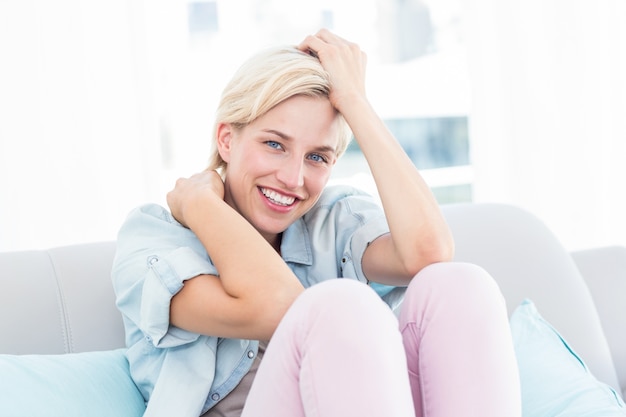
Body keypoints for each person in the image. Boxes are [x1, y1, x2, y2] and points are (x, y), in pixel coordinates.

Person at [112, 29, 521, 417]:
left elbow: (428, 253)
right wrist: (203, 206)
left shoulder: (333, 219)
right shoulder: (154, 240)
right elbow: (279, 307)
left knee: (460, 285)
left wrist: (356, 102)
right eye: (274, 144)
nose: (293, 179)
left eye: (317, 157)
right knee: (340, 305)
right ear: (226, 139)